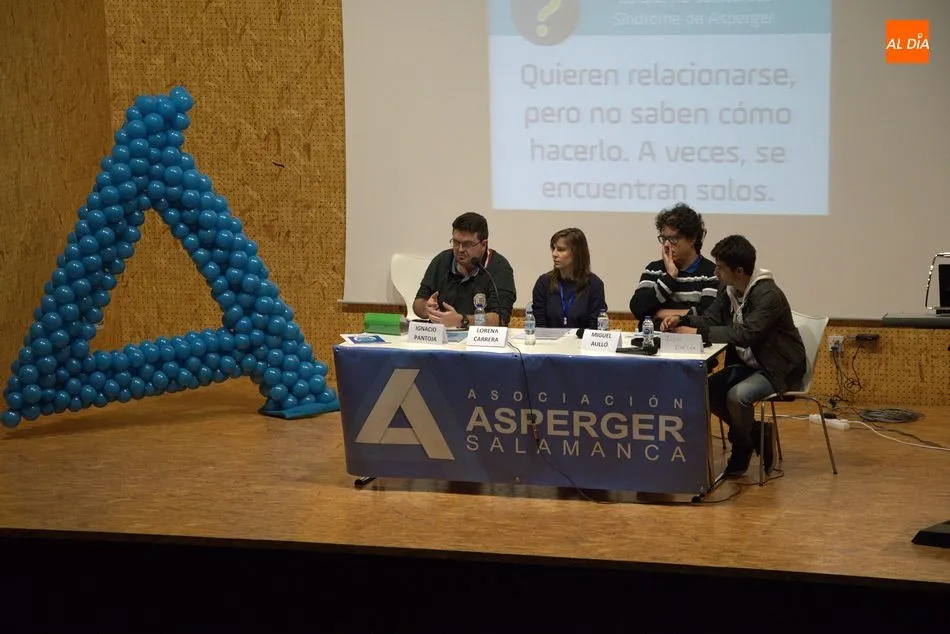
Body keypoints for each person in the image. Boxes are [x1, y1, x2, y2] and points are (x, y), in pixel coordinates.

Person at [660, 235, 806, 478]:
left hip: (778, 367)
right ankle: (755, 433)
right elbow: (711, 319)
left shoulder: (768, 295)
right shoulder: (728, 289)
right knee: (706, 390)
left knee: (737, 397)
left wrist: (698, 332)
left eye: (720, 267)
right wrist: (683, 320)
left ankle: (741, 448)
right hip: (748, 364)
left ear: (739, 270)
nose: (715, 272)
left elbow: (745, 335)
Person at [413, 212, 516, 327]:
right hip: (443, 334)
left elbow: (500, 319)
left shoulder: (499, 268)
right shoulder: (442, 261)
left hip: (480, 336)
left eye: (467, 244)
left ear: (483, 245)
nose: (460, 249)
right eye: (456, 242)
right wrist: (427, 308)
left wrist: (462, 321)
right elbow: (418, 304)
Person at [629, 203, 718, 331]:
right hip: (655, 341)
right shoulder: (654, 269)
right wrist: (670, 277)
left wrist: (659, 313)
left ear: (692, 239)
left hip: (692, 342)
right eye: (664, 239)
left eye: (673, 239)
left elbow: (707, 317)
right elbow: (638, 309)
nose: (666, 245)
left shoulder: (711, 273)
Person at [531, 228, 607, 329]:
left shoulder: (594, 284)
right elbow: (539, 326)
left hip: (581, 339)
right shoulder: (544, 283)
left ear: (577, 253)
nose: (554, 254)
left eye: (560, 249)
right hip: (548, 339)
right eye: (553, 248)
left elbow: (595, 328)